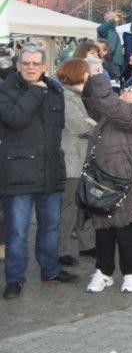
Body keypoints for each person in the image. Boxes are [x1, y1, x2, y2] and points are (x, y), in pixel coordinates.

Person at [1, 46, 78, 299]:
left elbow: (59, 128)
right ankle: (14, 279)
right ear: (18, 65)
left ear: (45, 66)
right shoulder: (6, 89)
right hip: (18, 171)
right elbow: (14, 119)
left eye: (36, 63)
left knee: (51, 226)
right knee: (17, 232)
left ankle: (50, 270)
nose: (30, 67)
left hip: (50, 170)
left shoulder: (55, 90)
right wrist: (35, 92)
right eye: (26, 63)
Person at [80, 73, 132, 293]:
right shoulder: (116, 114)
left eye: (130, 91)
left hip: (124, 181)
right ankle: (104, 272)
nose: (124, 91)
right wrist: (89, 82)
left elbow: (108, 103)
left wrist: (99, 75)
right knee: (103, 228)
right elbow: (93, 102)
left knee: (124, 228)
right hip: (103, 179)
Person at [56, 59, 97, 266]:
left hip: (81, 160)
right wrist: (96, 123)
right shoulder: (67, 97)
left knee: (84, 205)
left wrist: (92, 122)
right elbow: (81, 126)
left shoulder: (76, 96)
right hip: (72, 162)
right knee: (70, 207)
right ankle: (61, 250)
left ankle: (87, 244)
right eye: (88, 72)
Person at [96, 11, 125, 76]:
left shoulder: (113, 30)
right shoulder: (105, 30)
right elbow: (100, 29)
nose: (115, 18)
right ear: (107, 19)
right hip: (109, 62)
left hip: (116, 63)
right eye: (112, 16)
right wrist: (113, 20)